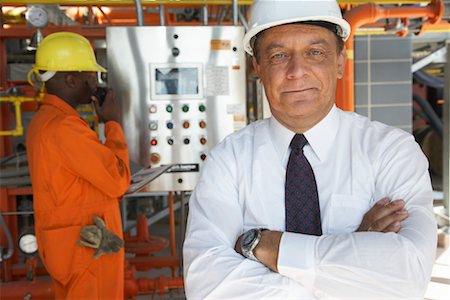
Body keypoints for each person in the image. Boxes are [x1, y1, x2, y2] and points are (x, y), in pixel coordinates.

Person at [183, 0, 437, 298]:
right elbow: (208, 286)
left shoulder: (391, 152)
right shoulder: (228, 161)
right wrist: (353, 252)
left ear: (340, 61)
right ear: (258, 67)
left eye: (315, 52)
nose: (297, 70)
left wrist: (267, 246)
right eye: (279, 56)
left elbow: (408, 277)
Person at [26, 32, 130, 298]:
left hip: (69, 244)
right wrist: (113, 123)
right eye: (90, 76)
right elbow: (117, 179)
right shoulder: (64, 127)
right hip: (87, 251)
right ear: (71, 79)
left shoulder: (45, 120)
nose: (94, 84)